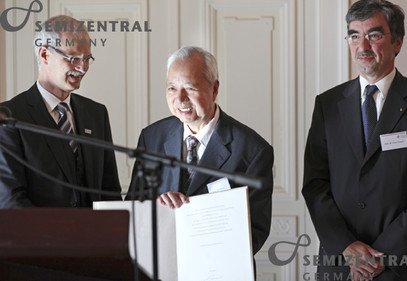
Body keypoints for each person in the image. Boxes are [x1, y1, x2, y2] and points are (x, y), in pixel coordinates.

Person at [302, 0, 407, 280]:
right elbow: (315, 183)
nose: (362, 46)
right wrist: (347, 247)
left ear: (398, 43)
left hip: (401, 263)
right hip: (341, 264)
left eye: (374, 35)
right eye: (354, 35)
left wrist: (382, 254)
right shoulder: (328, 104)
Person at [127, 46, 274, 255]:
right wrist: (158, 209)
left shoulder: (253, 150)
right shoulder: (152, 138)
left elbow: (256, 231)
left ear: (214, 89)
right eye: (172, 88)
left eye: (190, 88)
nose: (180, 98)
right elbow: (134, 208)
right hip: (162, 266)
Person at [0, 15, 121, 208]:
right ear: (44, 54)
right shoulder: (9, 117)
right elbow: (11, 199)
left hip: (95, 236)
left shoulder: (96, 113)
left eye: (87, 58)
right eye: (73, 58)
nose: (83, 68)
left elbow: (110, 192)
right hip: (40, 237)